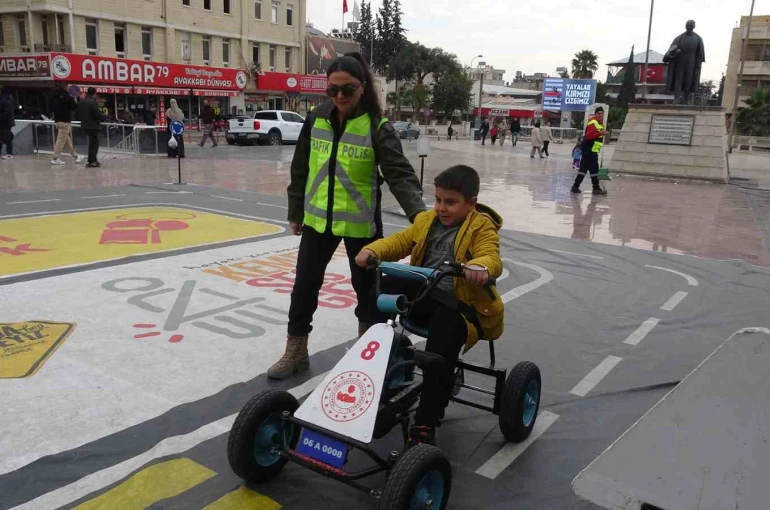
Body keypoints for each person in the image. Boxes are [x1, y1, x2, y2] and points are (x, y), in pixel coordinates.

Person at [269, 52, 426, 380]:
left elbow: (399, 174)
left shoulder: (377, 126)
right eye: (332, 90)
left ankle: (369, 351)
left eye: (348, 89)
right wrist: (295, 210)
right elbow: (300, 168)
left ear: (363, 87)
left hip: (361, 225)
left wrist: (420, 216)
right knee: (304, 288)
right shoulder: (315, 119)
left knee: (368, 291)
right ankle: (296, 350)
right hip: (317, 222)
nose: (340, 96)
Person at [355, 165, 504, 445]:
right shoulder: (426, 220)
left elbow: (491, 256)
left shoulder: (481, 227)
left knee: (441, 349)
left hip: (460, 304)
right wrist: (374, 249)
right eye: (437, 200)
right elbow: (401, 241)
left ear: (471, 204)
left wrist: (478, 266)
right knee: (379, 288)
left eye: (450, 202)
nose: (441, 208)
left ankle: (426, 421)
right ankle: (374, 355)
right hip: (425, 293)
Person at [571, 107, 607, 195]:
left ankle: (575, 186)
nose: (600, 115)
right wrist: (601, 133)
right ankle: (596, 188)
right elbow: (589, 136)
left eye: (602, 113)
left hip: (591, 149)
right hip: (589, 149)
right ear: (595, 114)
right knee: (594, 168)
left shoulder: (599, 123)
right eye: (598, 113)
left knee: (584, 168)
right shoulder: (593, 122)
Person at [49, 83, 85, 165]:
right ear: (65, 88)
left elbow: (50, 108)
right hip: (65, 121)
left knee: (66, 140)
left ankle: (75, 156)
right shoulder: (67, 96)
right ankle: (55, 158)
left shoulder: (52, 96)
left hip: (57, 121)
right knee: (61, 140)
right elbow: (75, 107)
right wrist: (79, 99)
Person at [76, 87, 104, 168]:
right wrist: (104, 116)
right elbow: (97, 114)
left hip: (85, 125)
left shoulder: (81, 102)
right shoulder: (93, 102)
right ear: (94, 93)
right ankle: (92, 161)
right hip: (93, 126)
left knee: (92, 143)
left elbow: (78, 114)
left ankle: (92, 160)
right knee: (94, 144)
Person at [0, 91, 15, 160]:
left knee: (7, 137)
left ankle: (9, 154)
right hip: (5, 122)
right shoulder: (5, 100)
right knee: (2, 137)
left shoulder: (5, 101)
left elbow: (7, 113)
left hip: (6, 123)